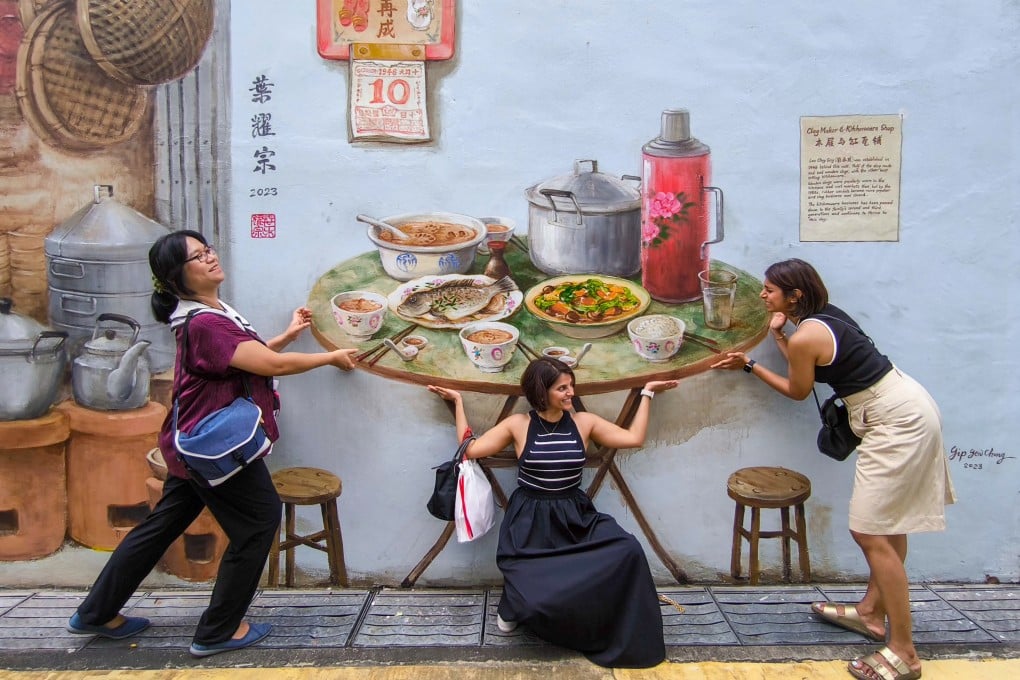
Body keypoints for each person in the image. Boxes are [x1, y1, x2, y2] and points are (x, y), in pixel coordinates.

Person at [67, 230, 359, 658]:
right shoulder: (204, 322)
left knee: (160, 526)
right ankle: (219, 629)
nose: (210, 259)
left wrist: (288, 334)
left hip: (192, 442)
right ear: (176, 277)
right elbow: (269, 364)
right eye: (197, 257)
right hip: (216, 448)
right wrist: (329, 357)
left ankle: (97, 612)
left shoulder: (207, 312)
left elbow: (243, 358)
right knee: (259, 520)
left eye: (208, 250)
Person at [711, 258, 955, 680]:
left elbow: (797, 388)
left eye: (769, 290)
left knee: (870, 532)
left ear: (794, 296)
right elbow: (811, 362)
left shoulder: (807, 334)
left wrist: (750, 365)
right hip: (903, 403)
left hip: (896, 421)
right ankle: (869, 613)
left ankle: (904, 652)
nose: (763, 296)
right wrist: (782, 334)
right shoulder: (824, 320)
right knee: (888, 527)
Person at [427, 358, 678, 668]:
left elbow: (633, 438)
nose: (570, 392)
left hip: (574, 516)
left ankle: (606, 627)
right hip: (530, 519)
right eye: (562, 388)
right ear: (541, 391)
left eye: (571, 386)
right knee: (534, 599)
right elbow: (470, 449)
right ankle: (512, 606)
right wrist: (458, 401)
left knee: (628, 550)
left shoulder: (584, 422)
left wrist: (647, 393)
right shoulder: (518, 424)